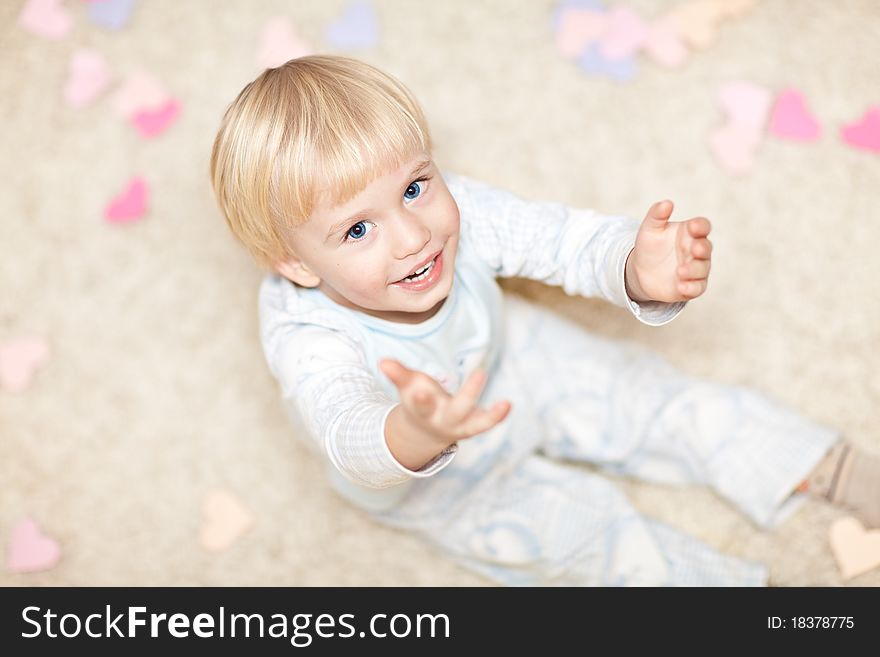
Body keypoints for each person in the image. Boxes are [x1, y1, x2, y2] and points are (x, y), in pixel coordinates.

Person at [209, 54, 879, 586]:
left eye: (416, 187)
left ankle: (828, 465)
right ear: (294, 264)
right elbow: (342, 424)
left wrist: (630, 265)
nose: (414, 235)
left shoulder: (459, 212)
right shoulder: (304, 334)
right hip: (438, 480)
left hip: (511, 359)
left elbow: (556, 239)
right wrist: (411, 429)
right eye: (358, 228)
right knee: (594, 545)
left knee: (652, 397)